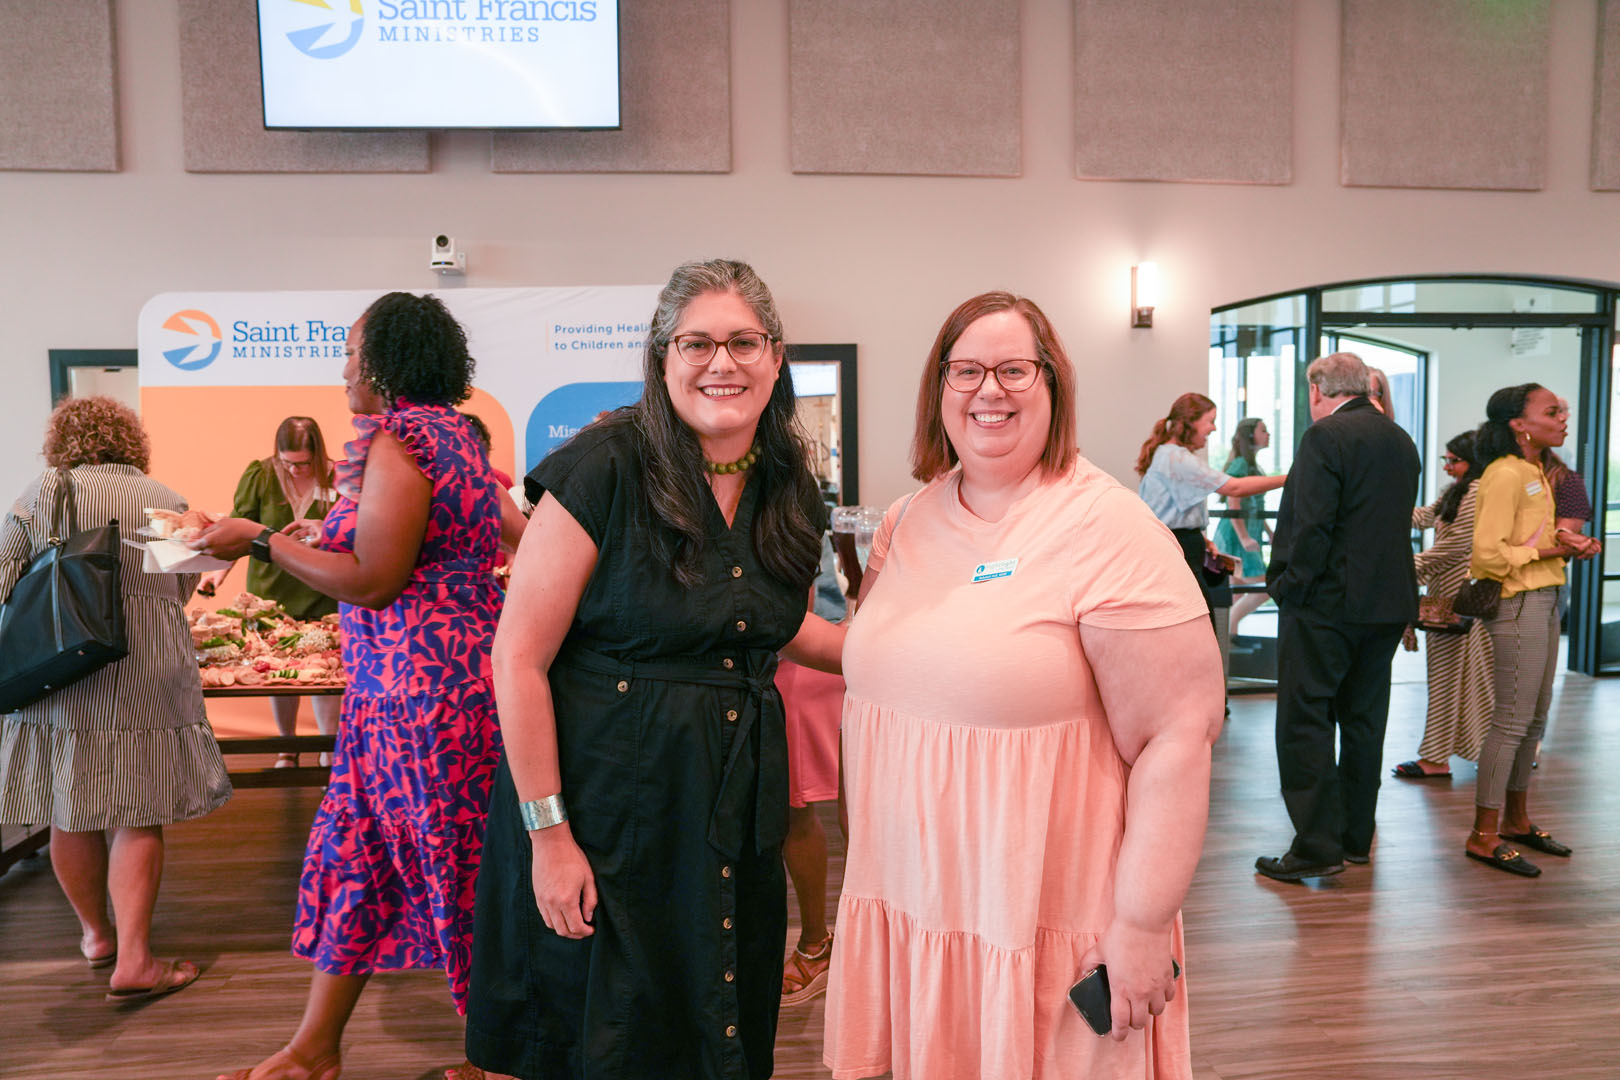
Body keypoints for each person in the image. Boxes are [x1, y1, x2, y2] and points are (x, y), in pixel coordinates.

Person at [824, 293, 1223, 1080]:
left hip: (1038, 918)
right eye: (967, 370)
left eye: (1014, 369)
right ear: (939, 389)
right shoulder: (908, 520)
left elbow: (1177, 736)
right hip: (909, 902)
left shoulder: (1108, 528)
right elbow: (894, 669)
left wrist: (1142, 925)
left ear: (1054, 386)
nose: (989, 390)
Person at [464, 259, 844, 1080]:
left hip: (727, 805)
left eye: (744, 342)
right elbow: (517, 658)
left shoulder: (790, 485)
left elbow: (762, 626)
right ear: (662, 358)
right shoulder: (604, 467)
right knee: (601, 1033)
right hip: (604, 803)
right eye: (697, 343)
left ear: (776, 358)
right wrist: (550, 837)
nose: (722, 363)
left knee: (709, 1025)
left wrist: (918, 649)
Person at [198, 292, 525, 1080]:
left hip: (421, 700)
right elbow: (495, 535)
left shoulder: (401, 441)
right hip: (420, 694)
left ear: (384, 362)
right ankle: (314, 1047)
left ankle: (506, 1055)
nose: (343, 368)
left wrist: (263, 541)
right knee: (361, 857)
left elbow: (374, 580)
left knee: (455, 870)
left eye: (350, 352)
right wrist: (319, 534)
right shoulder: (453, 436)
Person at [0, 395, 230, 1002]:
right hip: (144, 672)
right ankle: (138, 960)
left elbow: (2, 580)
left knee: (68, 808)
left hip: (58, 671)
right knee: (137, 808)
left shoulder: (38, 496)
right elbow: (179, 589)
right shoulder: (161, 499)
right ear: (130, 440)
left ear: (60, 442)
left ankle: (97, 936)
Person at [1255, 352, 1421, 882]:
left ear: (1318, 390)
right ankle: (1355, 839)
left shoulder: (1325, 437)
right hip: (1386, 604)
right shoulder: (1400, 439)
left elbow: (1311, 524)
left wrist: (1287, 586)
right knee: (1364, 722)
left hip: (1326, 605)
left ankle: (1315, 845)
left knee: (1304, 721)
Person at [1463, 384, 1600, 877]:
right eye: (1551, 411)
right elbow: (1488, 555)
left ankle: (1517, 821)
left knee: (1535, 720)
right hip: (1518, 602)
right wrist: (1553, 551)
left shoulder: (1536, 471)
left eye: (1561, 409)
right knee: (1512, 721)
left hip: (1545, 600)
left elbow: (1532, 535)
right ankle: (1483, 834)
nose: (1563, 417)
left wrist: (1569, 541)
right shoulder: (1505, 473)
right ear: (1519, 424)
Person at [198, 417, 341, 768]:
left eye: (303, 463)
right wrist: (214, 577)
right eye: (287, 462)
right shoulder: (260, 476)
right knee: (276, 672)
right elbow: (238, 529)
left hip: (321, 587)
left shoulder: (340, 477)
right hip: (270, 594)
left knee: (325, 672)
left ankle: (328, 751)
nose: (294, 470)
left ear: (318, 455)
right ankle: (287, 748)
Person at [1136, 393, 1287, 628]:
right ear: (1191, 421)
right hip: (1180, 549)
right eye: (1210, 421)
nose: (1214, 428)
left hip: (1182, 545)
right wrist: (1289, 478)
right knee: (1200, 625)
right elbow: (1233, 487)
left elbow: (1170, 509)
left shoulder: (1167, 455)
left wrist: (1203, 539)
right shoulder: (1176, 457)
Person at [1394, 431, 1493, 780]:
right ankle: (1472, 752)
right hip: (1446, 591)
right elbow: (1422, 517)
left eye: (1455, 460)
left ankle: (1439, 758)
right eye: (1445, 460)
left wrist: (1408, 567)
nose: (1448, 467)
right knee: (1455, 677)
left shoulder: (1477, 491)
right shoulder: (1460, 489)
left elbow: (1456, 547)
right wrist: (1377, 502)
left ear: (1474, 461)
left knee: (1454, 677)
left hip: (1457, 594)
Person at [776, 539, 847, 1007]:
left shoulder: (777, 490)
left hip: (797, 658)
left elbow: (790, 610)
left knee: (792, 812)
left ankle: (817, 945)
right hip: (777, 653)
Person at [1212, 417, 1277, 633]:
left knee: (1237, 591)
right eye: (1264, 431)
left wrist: (1268, 531)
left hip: (1242, 534)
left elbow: (1254, 505)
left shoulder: (1251, 465)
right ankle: (1230, 626)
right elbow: (1234, 500)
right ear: (1251, 435)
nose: (1268, 434)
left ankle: (1230, 642)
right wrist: (1244, 537)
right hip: (1235, 536)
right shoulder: (1241, 464)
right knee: (1265, 587)